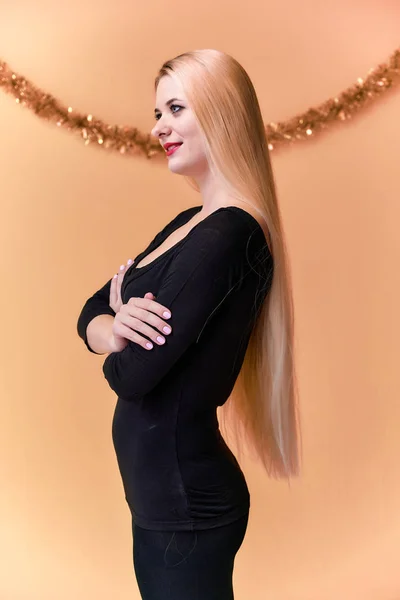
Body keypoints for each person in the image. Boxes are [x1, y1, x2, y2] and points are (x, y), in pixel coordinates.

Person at [77, 48, 301, 600]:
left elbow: (131, 377)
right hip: (163, 502)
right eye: (158, 114)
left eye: (175, 109)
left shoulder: (229, 235)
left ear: (220, 112)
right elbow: (88, 310)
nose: (159, 128)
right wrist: (115, 328)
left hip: (186, 506)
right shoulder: (189, 223)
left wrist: (115, 330)